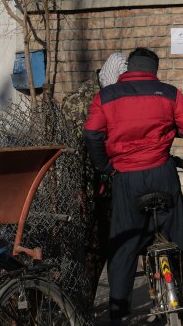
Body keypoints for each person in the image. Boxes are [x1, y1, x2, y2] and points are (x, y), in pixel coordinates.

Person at [84, 48, 183, 325]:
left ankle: (119, 314)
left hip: (127, 178)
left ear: (128, 69)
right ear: (154, 69)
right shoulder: (169, 93)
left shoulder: (106, 96)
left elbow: (91, 134)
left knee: (123, 247)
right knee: (177, 241)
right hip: (162, 172)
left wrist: (105, 166)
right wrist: (172, 130)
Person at [62, 52, 127, 303]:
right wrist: (77, 190)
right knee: (91, 252)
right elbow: (70, 154)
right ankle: (83, 306)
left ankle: (117, 307)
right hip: (87, 190)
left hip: (115, 186)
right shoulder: (77, 101)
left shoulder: (120, 96)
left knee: (118, 248)